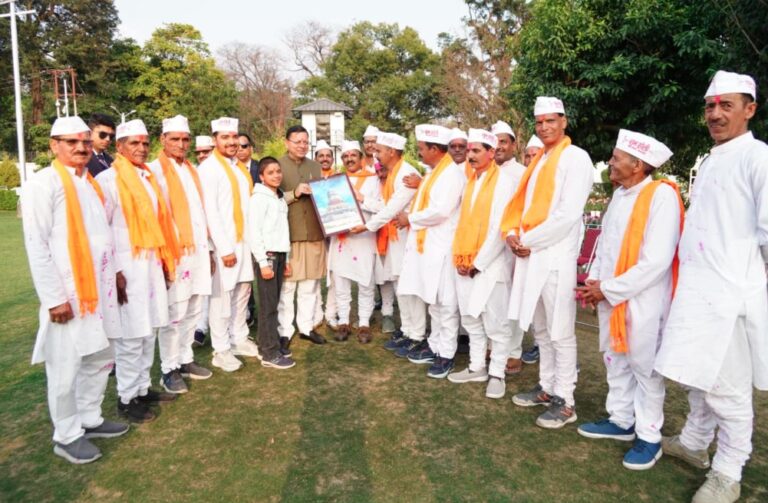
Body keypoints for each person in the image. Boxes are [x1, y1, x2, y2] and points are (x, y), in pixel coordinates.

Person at [654, 70, 767, 503]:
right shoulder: (711, 158)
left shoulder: (758, 157)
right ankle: (694, 443)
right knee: (696, 375)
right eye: (710, 106)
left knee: (728, 389)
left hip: (729, 296)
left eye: (726, 106)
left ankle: (728, 472)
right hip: (698, 290)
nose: (715, 114)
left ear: (749, 110)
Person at [22, 116, 128, 464]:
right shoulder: (44, 183)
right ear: (54, 145)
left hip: (100, 289)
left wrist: (116, 273)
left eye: (84, 141)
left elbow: (104, 234)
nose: (81, 148)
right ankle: (66, 435)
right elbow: (36, 244)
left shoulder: (90, 183)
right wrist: (54, 298)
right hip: (68, 291)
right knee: (65, 366)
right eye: (72, 142)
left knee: (100, 356)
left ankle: (90, 418)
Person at [574, 130, 682, 471]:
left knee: (644, 367)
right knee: (615, 359)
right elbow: (605, 245)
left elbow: (656, 261)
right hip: (611, 293)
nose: (610, 162)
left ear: (637, 165)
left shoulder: (660, 196)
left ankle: (649, 436)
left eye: (616, 158)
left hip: (644, 298)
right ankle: (621, 420)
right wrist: (594, 282)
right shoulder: (620, 195)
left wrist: (607, 289)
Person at [502, 97, 594, 429]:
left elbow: (567, 215)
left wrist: (526, 241)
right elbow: (521, 207)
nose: (544, 127)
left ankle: (566, 400)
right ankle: (547, 387)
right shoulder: (539, 160)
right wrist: (512, 233)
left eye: (551, 121)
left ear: (564, 122)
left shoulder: (576, 157)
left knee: (560, 331)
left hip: (556, 257)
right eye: (539, 122)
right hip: (532, 255)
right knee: (541, 329)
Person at [96, 119, 179, 423]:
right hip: (126, 267)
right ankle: (127, 398)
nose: (141, 148)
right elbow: (102, 229)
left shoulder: (147, 178)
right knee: (131, 335)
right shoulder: (108, 180)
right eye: (134, 143)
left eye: (145, 143)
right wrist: (115, 271)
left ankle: (143, 388)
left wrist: (165, 262)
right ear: (119, 147)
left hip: (151, 264)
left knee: (149, 329)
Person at [446, 129, 518, 398]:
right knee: (470, 318)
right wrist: (461, 258)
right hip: (465, 262)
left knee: (496, 324)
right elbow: (462, 224)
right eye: (469, 150)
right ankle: (477, 367)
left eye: (476, 151)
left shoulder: (504, 183)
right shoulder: (470, 182)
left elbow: (500, 227)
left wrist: (478, 263)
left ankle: (497, 373)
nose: (470, 155)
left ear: (491, 153)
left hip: (491, 265)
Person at [148, 115, 214, 393]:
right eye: (175, 138)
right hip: (174, 254)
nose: (181, 144)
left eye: (185, 139)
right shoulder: (153, 172)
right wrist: (162, 258)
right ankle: (169, 368)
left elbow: (201, 213)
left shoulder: (192, 170)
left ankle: (186, 359)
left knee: (194, 308)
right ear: (162, 140)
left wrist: (210, 251)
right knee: (174, 312)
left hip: (198, 251)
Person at [395, 124, 466, 378]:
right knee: (434, 302)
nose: (420, 153)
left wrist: (410, 218)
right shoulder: (435, 172)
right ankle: (435, 346)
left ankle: (446, 354)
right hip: (430, 248)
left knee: (446, 304)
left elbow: (441, 211)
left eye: (422, 148)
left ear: (435, 149)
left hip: (443, 248)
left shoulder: (451, 174)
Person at [198, 117, 259, 372]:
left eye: (234, 137)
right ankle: (221, 349)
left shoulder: (238, 167)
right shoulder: (209, 169)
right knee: (222, 298)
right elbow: (210, 212)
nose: (231, 142)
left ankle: (239, 337)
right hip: (225, 245)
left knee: (243, 292)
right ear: (215, 140)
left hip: (245, 241)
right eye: (225, 137)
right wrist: (223, 249)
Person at [350, 132, 420, 342]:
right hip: (396, 238)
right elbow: (385, 205)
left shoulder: (406, 175)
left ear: (391, 152)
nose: (375, 154)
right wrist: (363, 199)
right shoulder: (394, 174)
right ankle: (407, 330)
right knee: (400, 284)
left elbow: (390, 210)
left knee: (407, 286)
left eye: (379, 151)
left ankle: (415, 335)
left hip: (405, 237)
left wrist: (366, 227)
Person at [278, 125, 327, 348]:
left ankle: (306, 327)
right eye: (297, 141)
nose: (302, 146)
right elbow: (270, 200)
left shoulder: (315, 167)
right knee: (288, 287)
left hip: (314, 233)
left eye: (305, 142)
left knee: (310, 285)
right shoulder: (277, 166)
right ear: (286, 142)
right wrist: (294, 193)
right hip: (289, 234)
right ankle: (285, 330)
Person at [327, 140, 381, 343]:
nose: (349, 159)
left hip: (364, 237)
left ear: (360, 157)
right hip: (341, 239)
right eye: (345, 156)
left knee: (366, 281)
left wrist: (361, 198)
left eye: (353, 155)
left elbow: (382, 208)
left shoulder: (374, 180)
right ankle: (343, 321)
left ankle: (364, 323)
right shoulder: (335, 181)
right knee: (341, 281)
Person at [246, 157, 296, 369]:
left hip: (280, 255)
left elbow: (282, 231)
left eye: (278, 171)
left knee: (273, 303)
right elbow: (254, 232)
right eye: (270, 172)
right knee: (268, 306)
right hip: (268, 256)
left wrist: (287, 259)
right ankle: (269, 353)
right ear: (261, 176)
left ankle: (268, 344)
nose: (276, 175)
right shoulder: (259, 199)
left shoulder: (278, 197)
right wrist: (263, 262)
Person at [491, 119, 528, 375]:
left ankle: (514, 351)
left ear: (513, 145)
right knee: (493, 298)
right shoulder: (484, 173)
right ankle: (494, 347)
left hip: (512, 244)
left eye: (503, 142)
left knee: (514, 298)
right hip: (488, 246)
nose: (498, 147)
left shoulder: (522, 174)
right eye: (494, 142)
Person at [520, 133, 545, 365]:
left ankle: (542, 346)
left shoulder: (549, 180)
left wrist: (532, 245)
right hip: (523, 252)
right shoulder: (523, 181)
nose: (530, 160)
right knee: (531, 303)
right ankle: (537, 345)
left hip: (544, 254)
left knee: (548, 308)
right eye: (527, 156)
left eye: (534, 155)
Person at [193, 134, 214, 347]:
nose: (202, 156)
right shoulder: (193, 173)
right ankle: (200, 327)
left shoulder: (223, 171)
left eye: (206, 151)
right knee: (202, 286)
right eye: (198, 153)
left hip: (223, 237)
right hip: (200, 238)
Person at [86, 113, 116, 178]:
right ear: (89, 133)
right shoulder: (82, 159)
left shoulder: (111, 161)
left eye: (111, 136)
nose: (107, 139)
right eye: (103, 134)